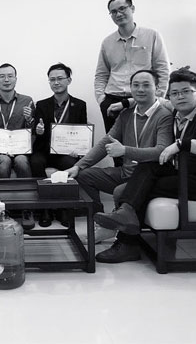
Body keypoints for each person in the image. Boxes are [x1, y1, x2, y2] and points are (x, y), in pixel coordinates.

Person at [93, 67, 196, 263]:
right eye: (175, 93)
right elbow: (151, 99)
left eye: (186, 91)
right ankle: (125, 217)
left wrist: (181, 145)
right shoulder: (177, 109)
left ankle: (127, 243)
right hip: (185, 175)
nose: (180, 97)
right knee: (148, 165)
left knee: (131, 190)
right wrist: (125, 102)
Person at [65, 70, 173, 244]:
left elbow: (161, 151)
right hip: (125, 172)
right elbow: (106, 142)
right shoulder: (126, 114)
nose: (140, 89)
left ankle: (117, 232)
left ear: (157, 88)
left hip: (147, 178)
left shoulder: (164, 116)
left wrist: (125, 151)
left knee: (119, 191)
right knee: (84, 176)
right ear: (130, 88)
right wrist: (78, 166)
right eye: (136, 85)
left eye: (146, 85)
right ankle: (102, 223)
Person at [95, 0, 170, 153]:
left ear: (132, 8)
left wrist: (158, 97)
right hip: (112, 99)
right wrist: (102, 100)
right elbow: (101, 74)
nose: (118, 14)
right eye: (113, 12)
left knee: (143, 145)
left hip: (142, 98)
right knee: (114, 146)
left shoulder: (152, 35)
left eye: (122, 8)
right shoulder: (107, 42)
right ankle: (119, 170)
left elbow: (162, 69)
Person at [30, 63, 88, 227]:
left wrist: (79, 150)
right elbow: (37, 129)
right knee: (35, 162)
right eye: (52, 79)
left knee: (69, 163)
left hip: (66, 152)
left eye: (60, 78)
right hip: (44, 149)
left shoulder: (80, 105)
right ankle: (44, 209)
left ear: (69, 80)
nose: (56, 82)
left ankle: (64, 208)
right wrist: (39, 130)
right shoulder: (41, 104)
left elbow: (82, 131)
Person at [0, 63, 34, 178]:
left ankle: (27, 189)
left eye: (10, 76)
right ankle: (0, 190)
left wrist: (29, 119)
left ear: (16, 79)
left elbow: (33, 131)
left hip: (20, 149)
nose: (6, 80)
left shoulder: (27, 101)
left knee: (21, 161)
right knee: (4, 161)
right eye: (2, 76)